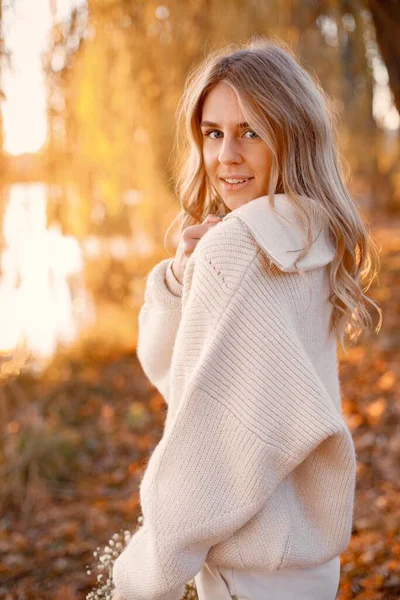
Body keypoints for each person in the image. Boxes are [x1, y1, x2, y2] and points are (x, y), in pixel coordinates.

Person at [112, 37, 382, 600]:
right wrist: (182, 277)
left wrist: (140, 578)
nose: (225, 157)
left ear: (292, 134)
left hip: (251, 563)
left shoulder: (237, 249)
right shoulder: (315, 232)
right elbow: (182, 374)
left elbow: (204, 439)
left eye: (250, 132)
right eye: (213, 133)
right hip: (307, 558)